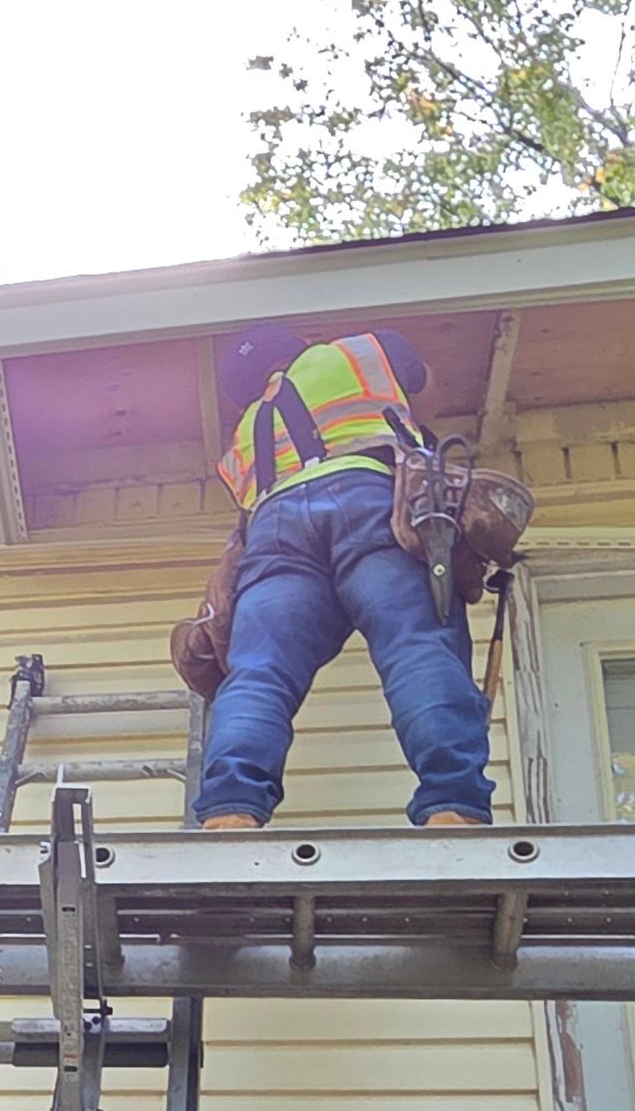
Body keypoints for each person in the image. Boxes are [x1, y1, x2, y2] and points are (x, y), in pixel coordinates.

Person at [193, 323, 495, 831]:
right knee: (416, 643)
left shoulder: (244, 434)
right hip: (367, 495)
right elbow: (426, 399)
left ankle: (231, 811)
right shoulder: (361, 351)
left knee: (261, 671)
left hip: (273, 528)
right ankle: (451, 804)